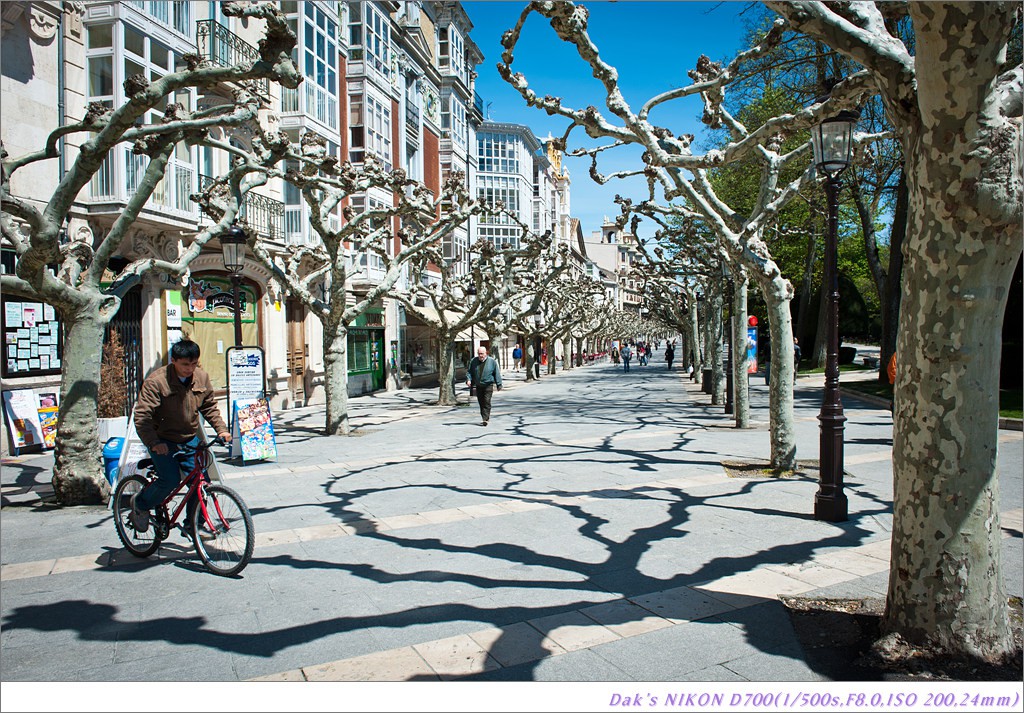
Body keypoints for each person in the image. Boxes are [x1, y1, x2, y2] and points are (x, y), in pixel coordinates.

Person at [130, 339, 231, 534]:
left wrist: (222, 430)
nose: (190, 369)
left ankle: (193, 525)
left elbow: (209, 406)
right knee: (169, 480)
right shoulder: (157, 382)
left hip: (189, 437)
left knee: (201, 482)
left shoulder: (201, 377)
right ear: (174, 361)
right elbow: (142, 416)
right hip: (162, 439)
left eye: (194, 364)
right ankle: (141, 504)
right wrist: (154, 443)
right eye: (185, 364)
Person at [466, 346, 502, 426]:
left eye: (482, 354)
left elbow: (496, 373)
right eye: (479, 354)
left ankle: (486, 419)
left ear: (486, 353)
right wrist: (468, 379)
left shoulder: (492, 361)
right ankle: (484, 416)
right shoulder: (473, 361)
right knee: (481, 402)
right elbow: (469, 372)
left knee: (486, 401)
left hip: (488, 385)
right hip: (479, 385)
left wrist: (499, 384)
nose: (480, 355)